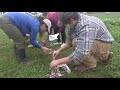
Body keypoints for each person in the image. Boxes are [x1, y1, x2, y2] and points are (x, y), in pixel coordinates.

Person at [50, 12, 115, 72]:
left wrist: (58, 61)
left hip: (104, 43)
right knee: (74, 41)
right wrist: (59, 50)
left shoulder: (86, 26)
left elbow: (81, 52)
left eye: (66, 24)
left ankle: (91, 64)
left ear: (71, 20)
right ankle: (105, 55)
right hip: (96, 40)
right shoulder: (76, 20)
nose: (66, 26)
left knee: (76, 42)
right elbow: (70, 40)